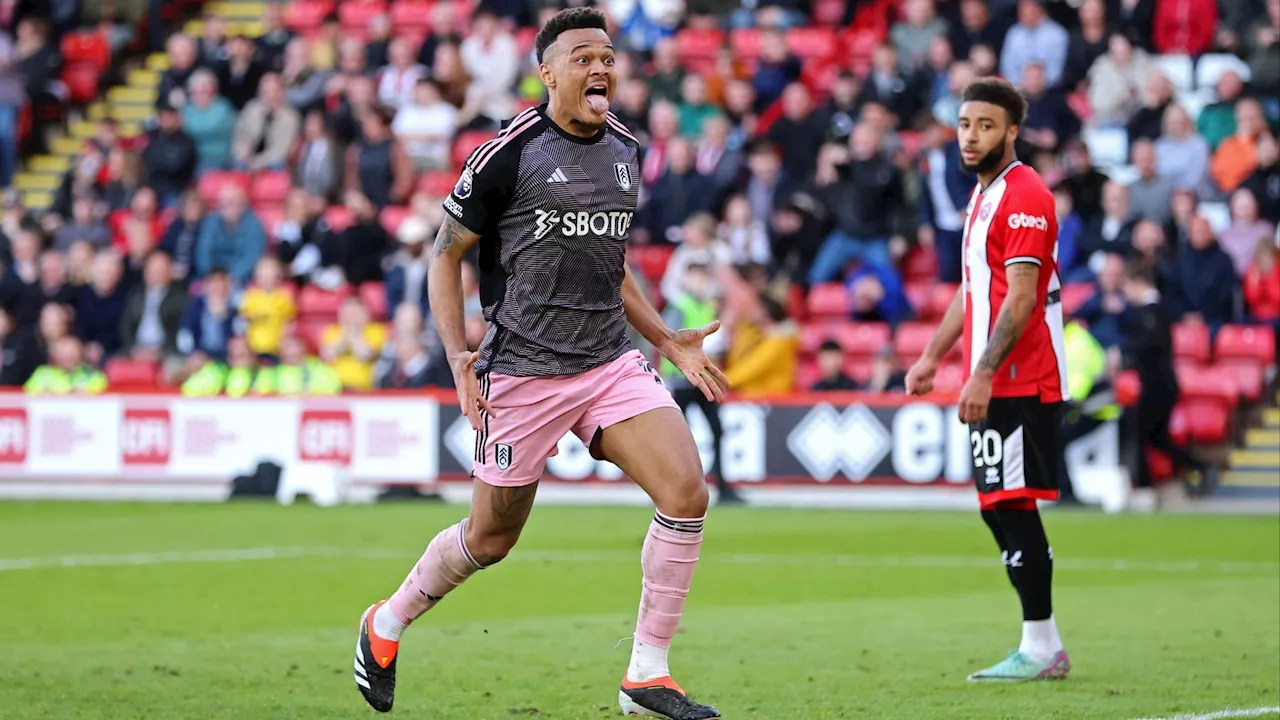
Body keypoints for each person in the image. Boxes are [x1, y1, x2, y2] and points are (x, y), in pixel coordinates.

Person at [351, 9, 726, 720]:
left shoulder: (625, 148)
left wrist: (664, 337)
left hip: (607, 360)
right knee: (492, 538)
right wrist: (461, 356)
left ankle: (646, 676)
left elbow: (607, 262)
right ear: (547, 73)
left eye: (607, 57)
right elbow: (445, 254)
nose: (600, 69)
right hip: (521, 368)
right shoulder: (508, 154)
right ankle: (387, 621)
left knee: (686, 492)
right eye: (583, 58)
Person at [905, 77, 1071, 682]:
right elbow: (974, 290)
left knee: (1011, 505)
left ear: (1012, 131)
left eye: (985, 126)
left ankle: (1040, 646)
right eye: (964, 125)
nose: (971, 137)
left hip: (1021, 380)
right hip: (997, 378)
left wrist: (982, 373)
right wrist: (931, 354)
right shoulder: (985, 196)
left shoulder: (1025, 193)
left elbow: (1022, 296)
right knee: (997, 507)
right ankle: (1043, 642)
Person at [1119, 261, 1219, 495]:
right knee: (1156, 438)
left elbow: (1149, 344)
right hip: (1160, 383)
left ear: (1138, 283)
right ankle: (1200, 467)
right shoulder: (1155, 310)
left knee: (1140, 434)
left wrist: (1125, 355)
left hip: (1157, 385)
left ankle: (1145, 486)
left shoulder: (1152, 311)